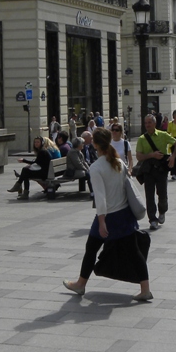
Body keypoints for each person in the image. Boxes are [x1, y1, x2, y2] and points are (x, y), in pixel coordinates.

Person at [63, 127, 152, 301]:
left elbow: (100, 197)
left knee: (91, 249)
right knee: (134, 252)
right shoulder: (119, 162)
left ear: (95, 144)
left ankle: (80, 284)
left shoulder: (96, 167)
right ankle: (145, 289)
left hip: (108, 216)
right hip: (124, 215)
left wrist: (102, 221)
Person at [136, 114, 176, 231]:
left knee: (162, 193)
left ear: (154, 123)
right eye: (146, 123)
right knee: (149, 195)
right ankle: (152, 219)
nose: (147, 125)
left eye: (149, 122)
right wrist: (151, 155)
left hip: (161, 169)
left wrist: (173, 157)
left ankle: (162, 211)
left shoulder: (163, 135)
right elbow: (139, 156)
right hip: (148, 169)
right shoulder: (142, 138)